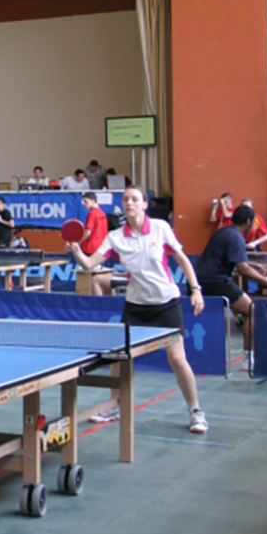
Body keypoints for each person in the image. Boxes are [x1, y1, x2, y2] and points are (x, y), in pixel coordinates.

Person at [69, 185, 209, 434]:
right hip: (136, 306)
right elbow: (89, 263)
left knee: (177, 359)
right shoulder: (115, 237)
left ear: (144, 204)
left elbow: (181, 258)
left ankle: (195, 410)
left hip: (166, 303)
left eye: (135, 199)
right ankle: (116, 405)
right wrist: (77, 251)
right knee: (120, 358)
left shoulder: (160, 228)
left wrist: (196, 289)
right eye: (125, 199)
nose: (129, 203)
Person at [196, 202, 267, 351]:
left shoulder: (223, 231)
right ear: (247, 222)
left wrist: (254, 265)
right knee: (251, 310)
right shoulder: (236, 237)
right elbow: (243, 269)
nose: (253, 226)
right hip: (216, 282)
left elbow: (235, 259)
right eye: (253, 223)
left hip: (200, 281)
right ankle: (249, 356)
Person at [77, 189, 111, 296]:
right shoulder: (103, 213)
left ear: (93, 200)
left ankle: (93, 300)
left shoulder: (92, 214)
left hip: (89, 250)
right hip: (101, 251)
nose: (83, 204)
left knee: (90, 280)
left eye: (85, 201)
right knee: (98, 279)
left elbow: (88, 232)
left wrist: (78, 242)